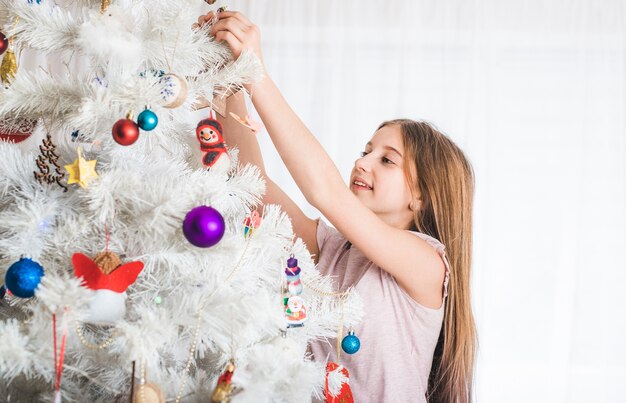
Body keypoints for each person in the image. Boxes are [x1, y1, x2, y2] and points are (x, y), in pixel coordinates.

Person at [202, 10, 477, 403]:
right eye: (365, 151)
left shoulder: (428, 263)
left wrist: (255, 71)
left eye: (387, 159)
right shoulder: (333, 250)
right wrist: (227, 80)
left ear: (422, 197)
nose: (362, 163)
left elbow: (326, 192)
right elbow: (251, 183)